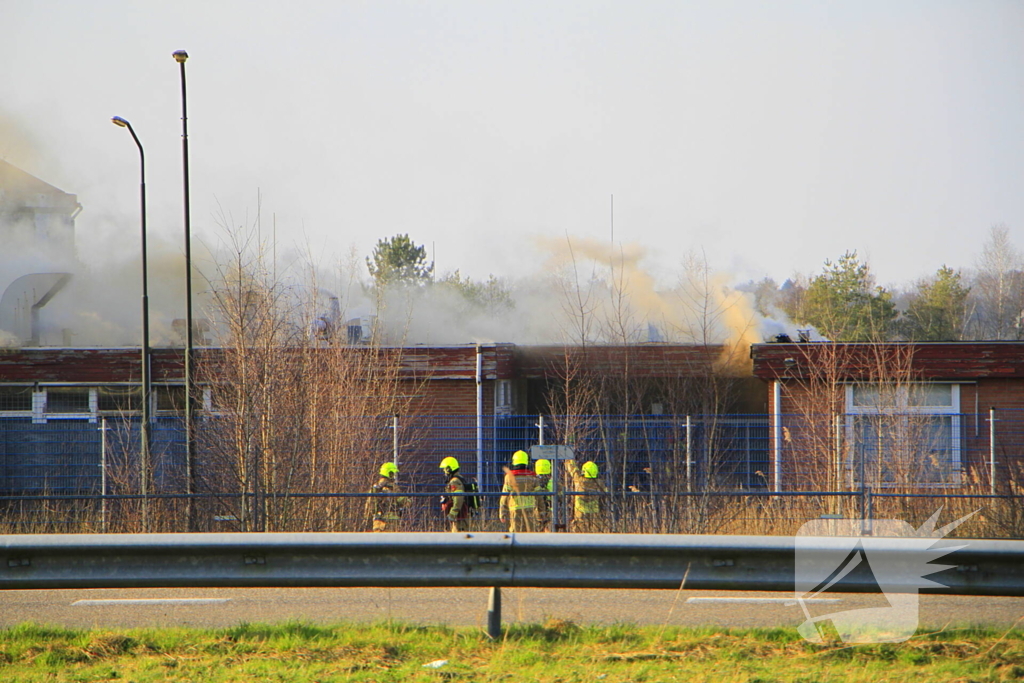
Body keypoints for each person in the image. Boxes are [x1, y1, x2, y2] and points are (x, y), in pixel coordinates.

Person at [499, 450, 541, 533]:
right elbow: (539, 496)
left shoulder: (509, 477)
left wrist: (502, 512)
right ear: (526, 461)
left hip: (515, 510)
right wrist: (541, 512)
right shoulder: (533, 477)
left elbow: (504, 496)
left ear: (514, 462)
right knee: (531, 534)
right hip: (530, 510)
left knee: (516, 534)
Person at [565, 459, 606, 532]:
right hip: (594, 513)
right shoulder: (599, 483)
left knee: (579, 531)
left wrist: (569, 460)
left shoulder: (579, 480)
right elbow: (606, 492)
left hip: (580, 512)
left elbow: (573, 470)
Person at [365, 462, 407, 532]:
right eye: (393, 473)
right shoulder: (393, 487)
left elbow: (368, 507)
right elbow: (404, 502)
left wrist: (367, 521)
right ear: (389, 473)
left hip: (377, 522)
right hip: (391, 522)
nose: (394, 476)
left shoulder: (375, 488)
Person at [439, 456, 471, 532]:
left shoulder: (455, 481)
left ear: (450, 469)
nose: (444, 471)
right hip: (460, 515)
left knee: (458, 535)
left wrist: (452, 513)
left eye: (445, 469)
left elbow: (458, 498)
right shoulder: (458, 479)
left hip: (460, 516)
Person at [533, 458, 553, 531]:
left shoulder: (534, 481)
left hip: (537, 511)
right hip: (551, 511)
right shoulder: (553, 482)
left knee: (538, 531)